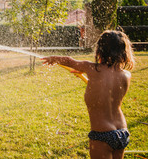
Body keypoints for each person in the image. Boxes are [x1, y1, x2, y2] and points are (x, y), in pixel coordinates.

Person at [42, 30, 135, 159]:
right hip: (122, 132)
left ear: (100, 50)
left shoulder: (91, 68)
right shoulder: (126, 75)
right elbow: (106, 91)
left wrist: (53, 59)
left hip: (102, 134)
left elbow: (69, 60)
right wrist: (90, 80)